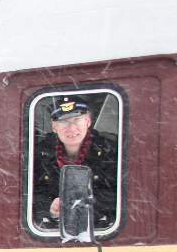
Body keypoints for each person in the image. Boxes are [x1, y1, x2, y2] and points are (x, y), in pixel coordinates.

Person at [31, 96, 119, 232]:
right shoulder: (38, 154)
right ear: (54, 127)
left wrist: (84, 205)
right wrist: (50, 207)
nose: (71, 128)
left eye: (77, 120)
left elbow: (119, 196)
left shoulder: (111, 151)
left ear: (88, 122)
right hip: (52, 234)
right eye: (63, 121)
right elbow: (30, 195)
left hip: (102, 232)